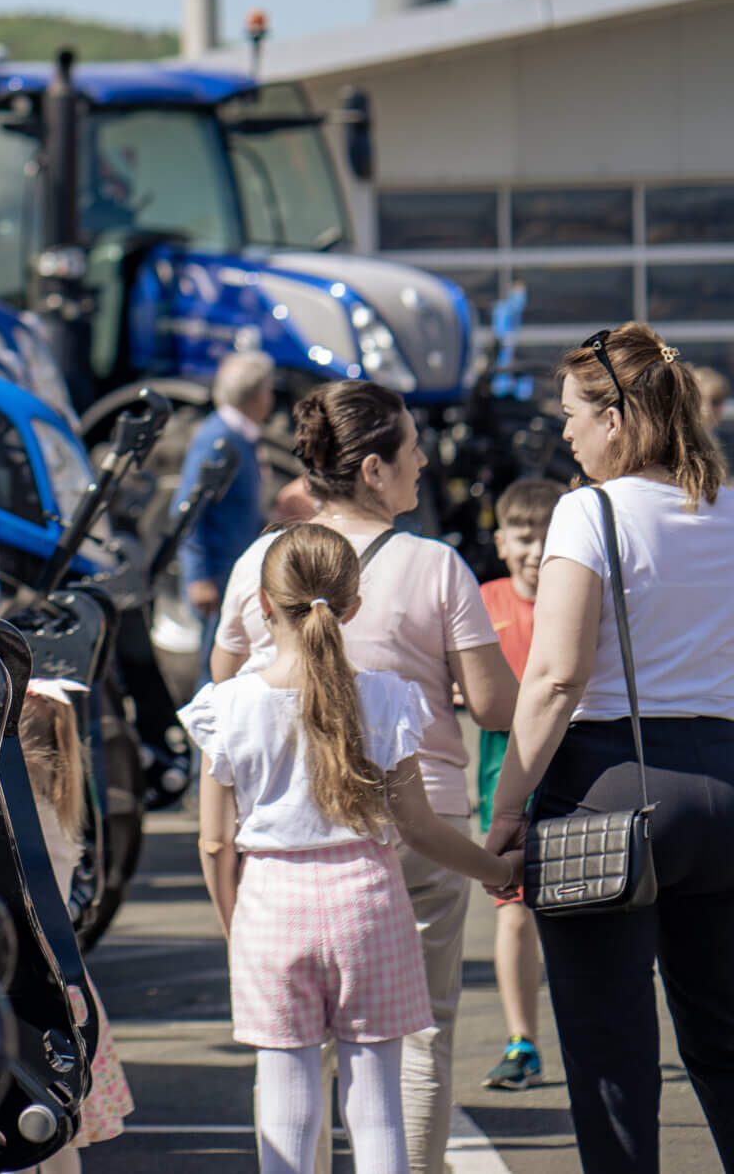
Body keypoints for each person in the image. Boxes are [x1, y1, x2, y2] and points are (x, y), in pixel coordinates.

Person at [211, 379, 516, 1174]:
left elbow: (222, 676)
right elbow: (493, 704)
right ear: (375, 469)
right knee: (416, 1044)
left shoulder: (261, 559)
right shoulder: (436, 567)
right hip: (419, 831)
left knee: (291, 1060)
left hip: (279, 863)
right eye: (413, 450)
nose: (423, 462)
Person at [484, 323, 734, 1174]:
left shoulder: (587, 513)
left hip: (611, 784)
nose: (563, 434)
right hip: (726, 784)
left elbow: (554, 677)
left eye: (572, 416)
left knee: (610, 1055)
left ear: (618, 419)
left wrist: (506, 808)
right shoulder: (728, 505)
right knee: (726, 1038)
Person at [18, 682, 132, 1169]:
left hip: (23, 984)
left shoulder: (19, 819)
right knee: (61, 1134)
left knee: (21, 1127)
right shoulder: (59, 812)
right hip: (66, 983)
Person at [476, 476, 561, 1091]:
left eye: (546, 536)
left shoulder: (580, 598)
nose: (534, 550)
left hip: (579, 770)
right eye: (522, 537)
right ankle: (521, 1040)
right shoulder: (485, 602)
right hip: (503, 779)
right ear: (501, 542)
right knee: (513, 910)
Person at [180, 350, 275, 651]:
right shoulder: (218, 440)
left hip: (233, 573)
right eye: (269, 390)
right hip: (217, 578)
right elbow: (187, 510)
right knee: (216, 661)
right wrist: (198, 577)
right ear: (256, 395)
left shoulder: (241, 436)